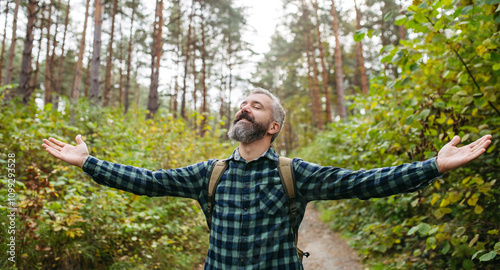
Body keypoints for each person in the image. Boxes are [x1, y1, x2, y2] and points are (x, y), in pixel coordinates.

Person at [42, 87, 492, 270]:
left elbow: (363, 181)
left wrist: (432, 166)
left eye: (256, 105)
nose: (244, 106)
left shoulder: (293, 173)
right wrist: (88, 162)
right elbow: (149, 180)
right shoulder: (210, 174)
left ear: (273, 126)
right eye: (242, 103)